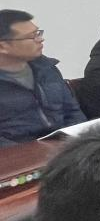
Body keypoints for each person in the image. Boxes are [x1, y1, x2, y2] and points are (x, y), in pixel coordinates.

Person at [0, 10, 85, 144]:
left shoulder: (47, 68)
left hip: (64, 145)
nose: (40, 39)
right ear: (2, 46)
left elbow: (72, 110)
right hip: (20, 153)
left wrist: (78, 139)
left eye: (38, 33)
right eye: (32, 36)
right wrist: (33, 151)